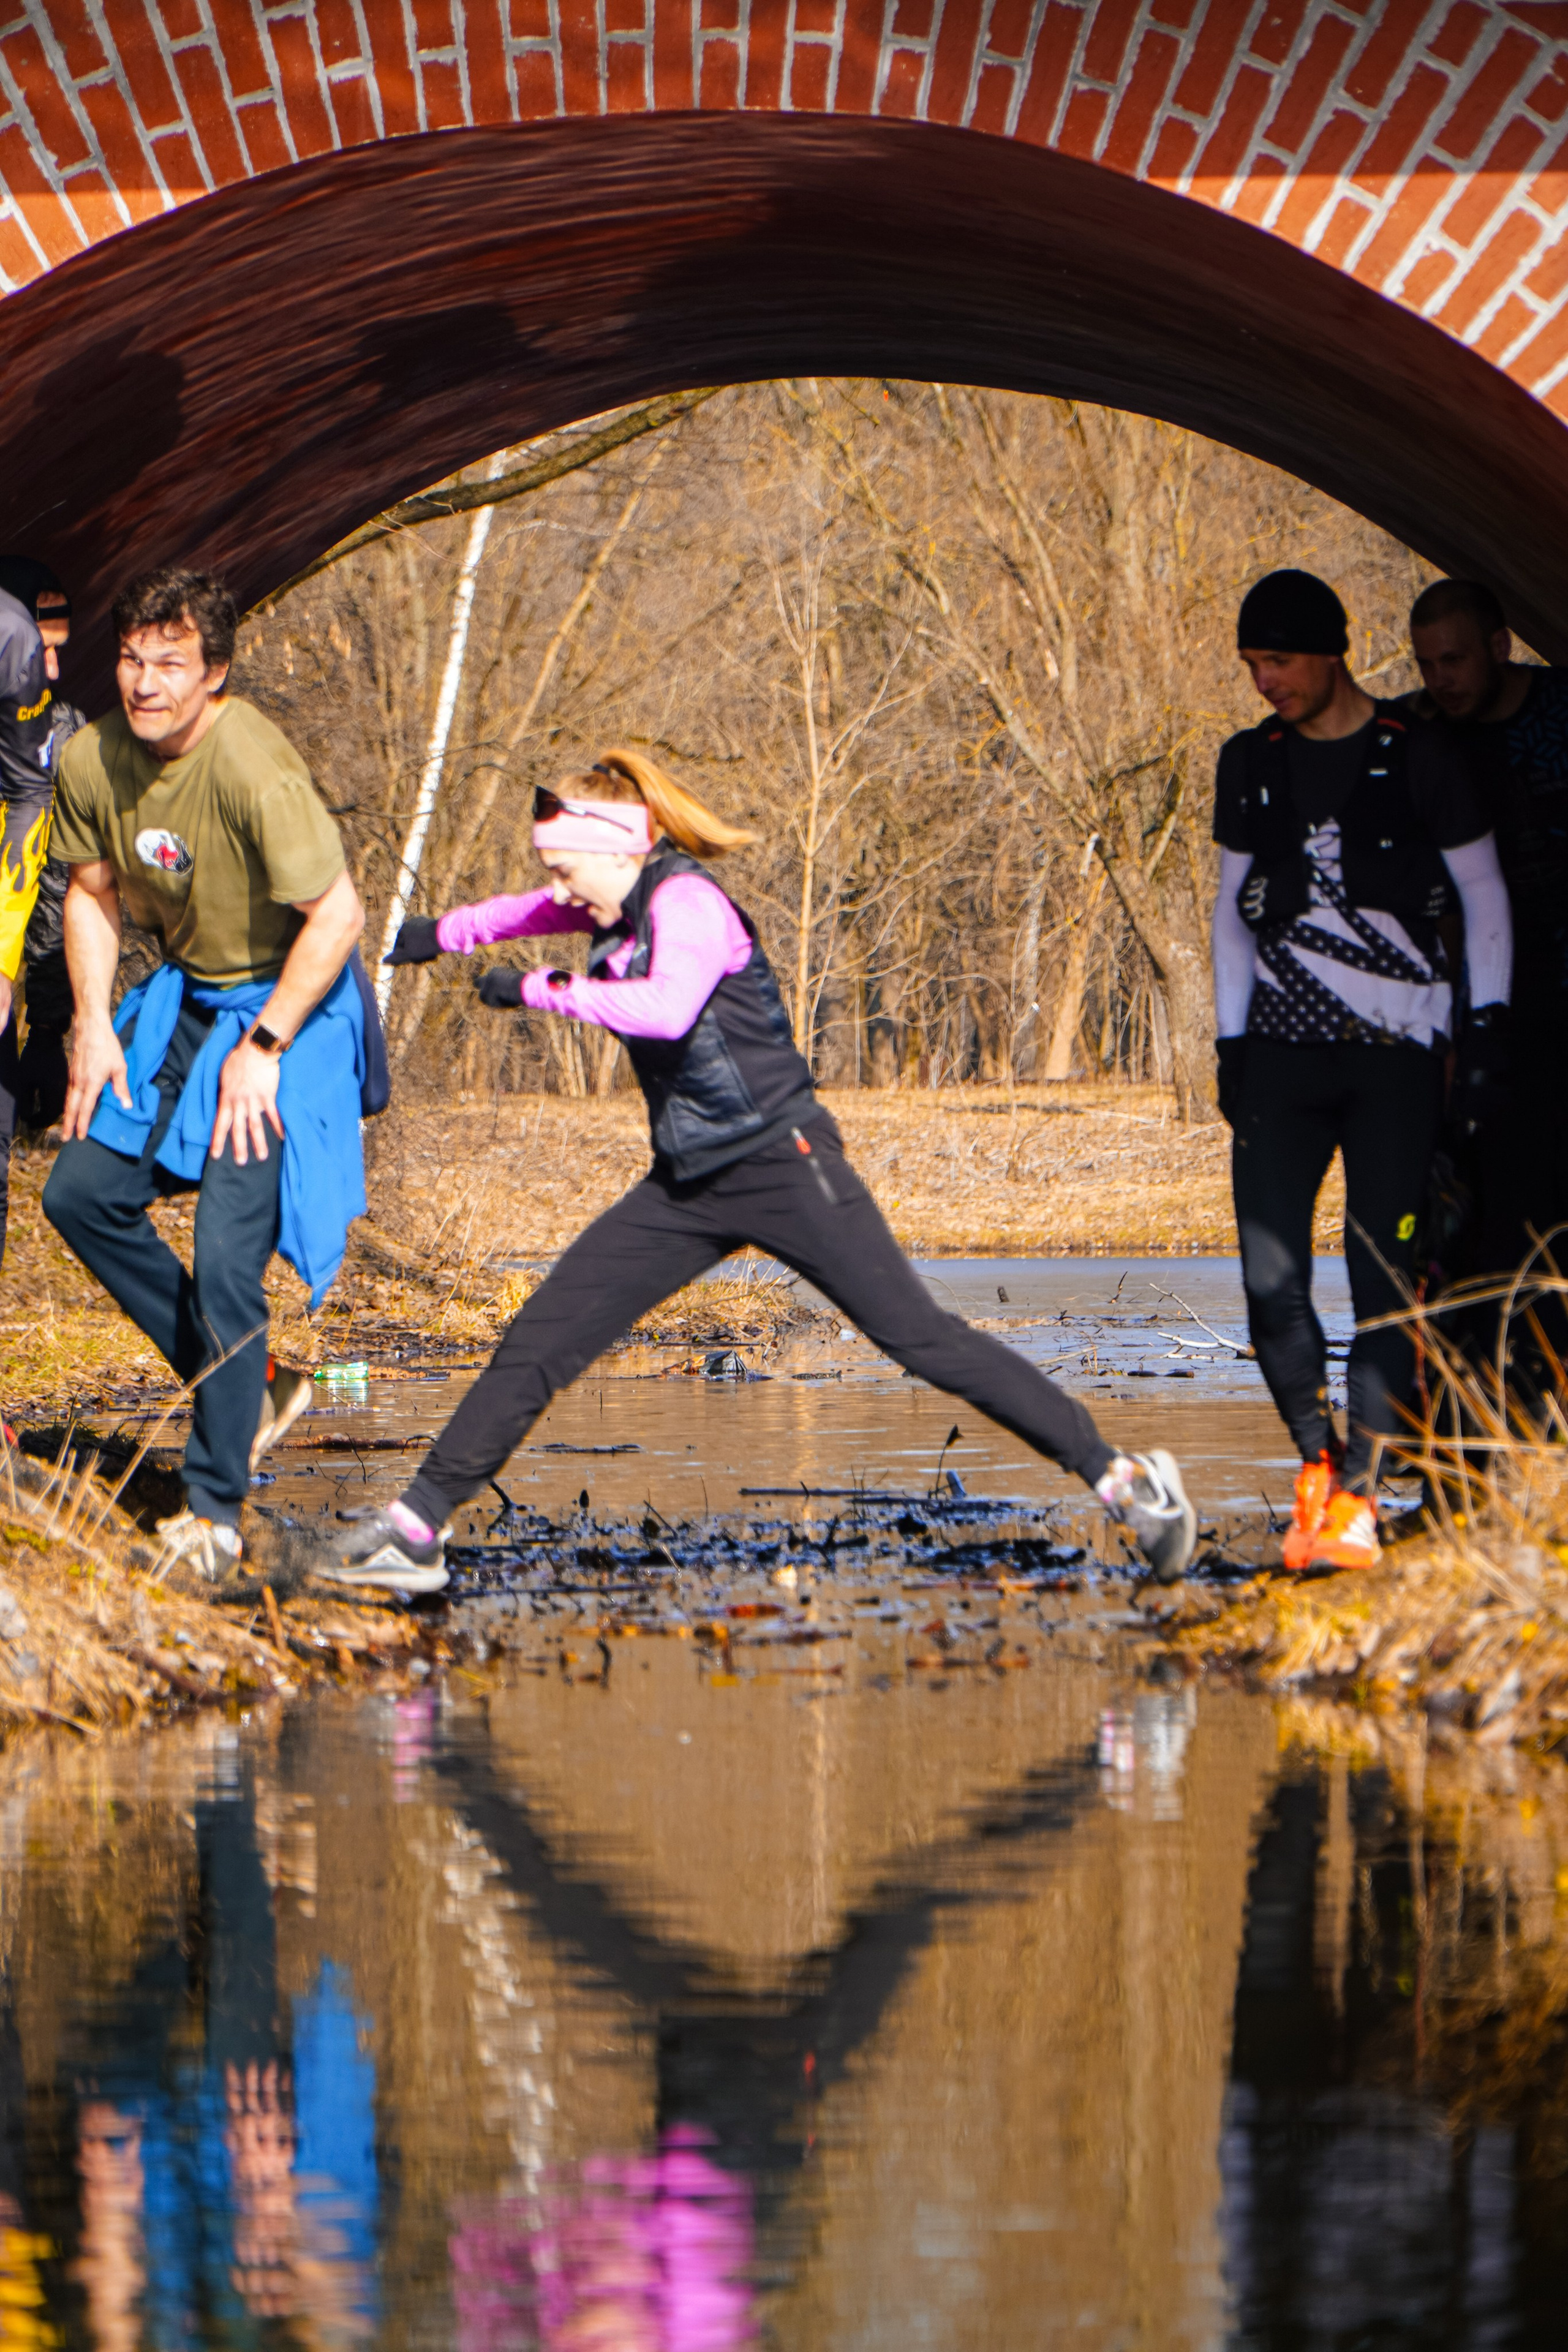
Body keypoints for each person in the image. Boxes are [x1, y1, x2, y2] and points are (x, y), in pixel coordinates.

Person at [323, 748, 1198, 1594]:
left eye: (564, 867)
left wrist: (539, 990)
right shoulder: (610, 906)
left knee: (920, 1340)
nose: (556, 887)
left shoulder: (690, 904)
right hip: (686, 1186)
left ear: (620, 845)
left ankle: (1128, 1484)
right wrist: (438, 934)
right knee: (544, 1337)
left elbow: (666, 1011)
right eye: (549, 869)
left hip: (784, 1163)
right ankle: (416, 1530)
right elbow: (521, 912)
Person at [40, 566, 370, 1578]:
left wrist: (263, 1051)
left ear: (213, 674)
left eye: (170, 663)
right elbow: (92, 894)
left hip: (289, 1009)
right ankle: (253, 1382)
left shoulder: (250, 764)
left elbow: (342, 916)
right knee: (83, 1192)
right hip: (187, 1000)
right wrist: (94, 1023)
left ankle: (215, 1511)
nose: (144, 681)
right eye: (133, 658)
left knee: (229, 1258)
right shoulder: (93, 759)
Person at [1211, 570, 1512, 1572]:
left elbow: (1482, 893)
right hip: (1283, 1061)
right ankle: (1318, 1461)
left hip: (1397, 1061)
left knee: (1385, 1284)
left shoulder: (1416, 755)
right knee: (1269, 1279)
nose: (1266, 681)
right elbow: (1230, 910)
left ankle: (1360, 1499)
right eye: (1253, 663)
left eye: (1281, 661)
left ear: (1331, 651)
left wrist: (1487, 1032)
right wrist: (1231, 1041)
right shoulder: (1249, 765)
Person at [1408, 578, 1568, 1381]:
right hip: (1482, 1013)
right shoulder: (1422, 738)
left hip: (1559, 992)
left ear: (1501, 648)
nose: (1444, 680)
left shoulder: (1557, 715)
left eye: (1457, 660)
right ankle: (1479, 1401)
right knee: (1481, 1211)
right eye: (1429, 664)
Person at [0, 556, 80, 1262]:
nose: (51, 670)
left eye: (59, 650)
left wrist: (49, 1026)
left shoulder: (67, 739)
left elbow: (62, 885)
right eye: (42, 649)